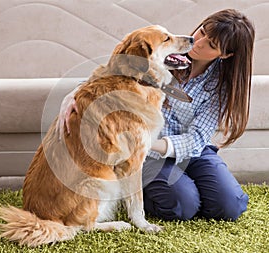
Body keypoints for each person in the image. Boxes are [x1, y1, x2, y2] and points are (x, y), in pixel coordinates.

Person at [56, 9, 255, 221]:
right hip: (150, 157)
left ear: (225, 55)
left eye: (211, 45)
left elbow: (197, 140)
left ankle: (187, 188)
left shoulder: (221, 84)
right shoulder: (163, 48)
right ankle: (176, 192)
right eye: (202, 31)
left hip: (188, 149)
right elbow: (110, 75)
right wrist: (72, 95)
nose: (198, 42)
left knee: (231, 205)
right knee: (182, 205)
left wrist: (145, 141)